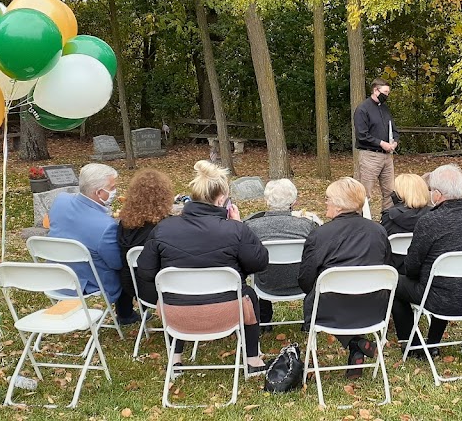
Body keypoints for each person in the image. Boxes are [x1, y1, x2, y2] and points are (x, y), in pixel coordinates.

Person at [136, 161, 270, 376]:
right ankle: (253, 359)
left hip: (176, 313)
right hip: (227, 310)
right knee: (249, 295)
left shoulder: (164, 228)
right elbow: (259, 264)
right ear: (220, 200)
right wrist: (239, 226)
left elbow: (145, 272)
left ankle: (176, 358)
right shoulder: (234, 230)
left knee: (170, 293)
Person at [393, 165, 462, 359]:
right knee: (444, 283)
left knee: (394, 282)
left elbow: (412, 267)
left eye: (430, 191)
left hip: (440, 298)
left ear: (437, 194)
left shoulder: (430, 221)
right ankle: (433, 344)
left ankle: (411, 344)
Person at [298, 177, 391, 379]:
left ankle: (356, 343)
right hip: (373, 307)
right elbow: (387, 268)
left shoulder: (320, 235)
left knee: (318, 300)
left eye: (328, 199)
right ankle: (357, 345)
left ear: (339, 205)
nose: (325, 202)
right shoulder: (379, 231)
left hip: (332, 308)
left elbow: (305, 281)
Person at [47, 163, 134, 324]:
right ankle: (126, 314)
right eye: (112, 187)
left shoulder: (60, 201)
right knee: (127, 267)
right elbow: (116, 263)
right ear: (99, 192)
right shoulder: (106, 226)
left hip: (56, 275)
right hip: (86, 281)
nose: (115, 191)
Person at [244, 179, 320, 326]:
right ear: (294, 202)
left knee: (260, 265)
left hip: (266, 284)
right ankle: (309, 321)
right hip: (301, 283)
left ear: (266, 201)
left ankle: (264, 320)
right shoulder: (307, 225)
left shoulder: (251, 226)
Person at [116, 168, 175, 315]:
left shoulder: (123, 225)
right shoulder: (165, 228)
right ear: (164, 196)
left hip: (137, 289)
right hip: (167, 290)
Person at [354, 78, 400, 210]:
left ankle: (388, 221)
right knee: (364, 193)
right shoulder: (363, 109)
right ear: (376, 90)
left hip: (387, 157)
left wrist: (394, 142)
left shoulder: (385, 108)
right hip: (370, 156)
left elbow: (394, 129)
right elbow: (362, 135)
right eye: (385, 92)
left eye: (388, 92)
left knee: (390, 192)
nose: (387, 95)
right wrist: (381, 143)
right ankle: (362, 223)